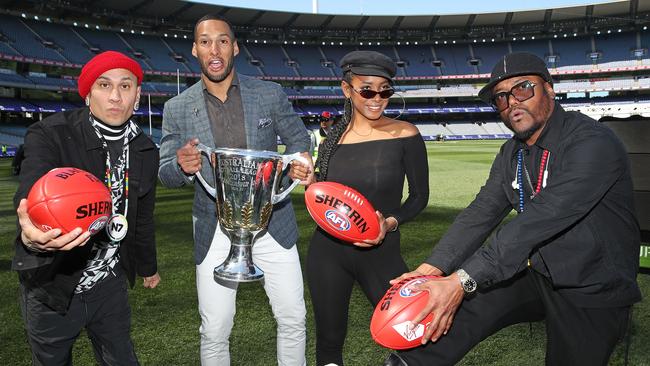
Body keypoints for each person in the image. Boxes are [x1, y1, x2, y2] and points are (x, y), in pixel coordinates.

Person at [385, 52, 641, 366]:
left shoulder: (593, 142)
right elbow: (481, 211)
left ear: (548, 88)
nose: (512, 103)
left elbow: (540, 219)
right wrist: (433, 268)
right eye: (501, 98)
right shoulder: (511, 152)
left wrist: (461, 279)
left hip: (593, 285)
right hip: (538, 271)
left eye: (522, 89)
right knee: (456, 306)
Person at [158, 14, 312, 366]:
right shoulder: (177, 108)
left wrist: (298, 163)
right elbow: (164, 173)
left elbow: (299, 141)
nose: (215, 49)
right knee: (215, 329)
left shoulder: (269, 93)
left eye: (223, 41)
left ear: (235, 47)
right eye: (206, 41)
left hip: (273, 224)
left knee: (293, 318)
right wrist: (181, 166)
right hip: (214, 228)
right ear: (195, 49)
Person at [13, 50, 161, 365]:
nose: (115, 96)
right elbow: (34, 186)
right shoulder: (50, 133)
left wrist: (147, 266)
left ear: (137, 95)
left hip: (109, 283)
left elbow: (142, 217)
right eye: (104, 85)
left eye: (125, 86)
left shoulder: (146, 149)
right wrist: (31, 232)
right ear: (87, 94)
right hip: (53, 285)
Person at [307, 50, 429, 366]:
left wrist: (389, 222)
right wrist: (309, 182)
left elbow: (418, 198)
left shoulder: (406, 134)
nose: (378, 98)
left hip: (382, 252)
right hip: (327, 254)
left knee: (413, 336)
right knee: (329, 342)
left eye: (385, 90)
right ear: (347, 89)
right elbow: (324, 197)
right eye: (367, 90)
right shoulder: (332, 138)